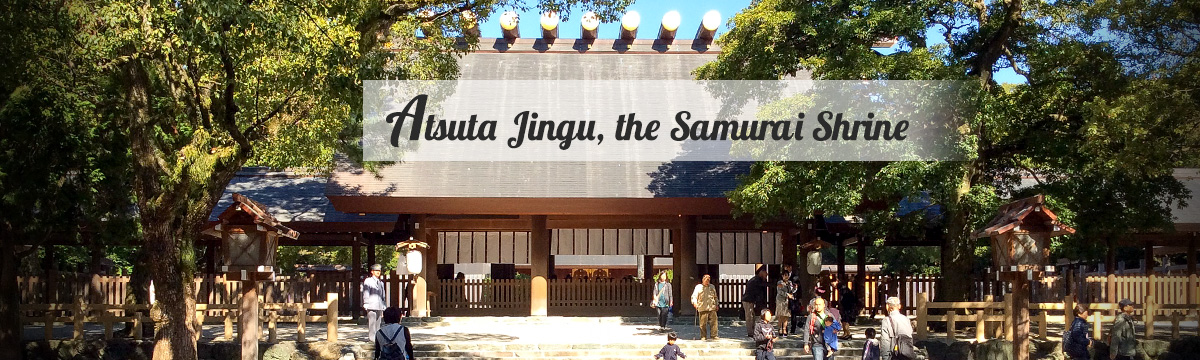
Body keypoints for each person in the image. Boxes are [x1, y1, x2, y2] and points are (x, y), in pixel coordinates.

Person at [742, 267, 770, 337]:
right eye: (765, 274)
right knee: (749, 317)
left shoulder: (757, 279)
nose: (766, 275)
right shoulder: (756, 280)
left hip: (751, 300)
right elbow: (762, 286)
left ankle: (753, 331)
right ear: (761, 272)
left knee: (752, 317)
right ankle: (750, 333)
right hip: (748, 300)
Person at [362, 264, 387, 342]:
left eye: (379, 271)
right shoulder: (368, 280)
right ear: (372, 272)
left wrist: (384, 303)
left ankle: (378, 337)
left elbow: (383, 294)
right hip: (371, 304)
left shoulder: (381, 282)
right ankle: (372, 337)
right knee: (372, 322)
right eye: (376, 270)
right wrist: (366, 302)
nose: (378, 272)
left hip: (379, 305)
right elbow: (366, 292)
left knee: (378, 322)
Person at [691, 274, 719, 340]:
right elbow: (694, 296)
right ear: (703, 280)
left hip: (712, 307)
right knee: (703, 324)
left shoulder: (712, 287)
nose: (707, 281)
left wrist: (717, 304)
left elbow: (715, 297)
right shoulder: (698, 287)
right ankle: (703, 336)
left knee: (714, 322)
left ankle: (714, 335)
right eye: (706, 280)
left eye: (708, 280)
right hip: (702, 307)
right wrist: (694, 303)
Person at [776, 270, 796, 336]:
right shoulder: (780, 282)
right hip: (780, 300)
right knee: (781, 315)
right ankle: (780, 328)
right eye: (785, 275)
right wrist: (787, 294)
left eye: (787, 275)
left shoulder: (789, 282)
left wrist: (795, 288)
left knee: (786, 315)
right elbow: (779, 291)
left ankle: (784, 329)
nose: (786, 277)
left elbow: (791, 291)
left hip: (787, 301)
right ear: (782, 276)